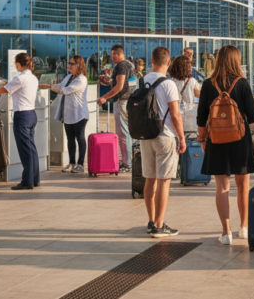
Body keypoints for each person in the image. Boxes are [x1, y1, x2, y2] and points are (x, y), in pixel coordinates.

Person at [197, 45, 254, 245]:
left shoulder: (207, 84)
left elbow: (201, 117)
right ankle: (244, 228)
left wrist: (202, 139)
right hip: (240, 138)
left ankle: (226, 232)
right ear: (236, 61)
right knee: (243, 185)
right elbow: (252, 115)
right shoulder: (242, 83)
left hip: (216, 140)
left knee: (222, 187)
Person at [141, 46, 186, 237]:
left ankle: (151, 221)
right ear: (168, 63)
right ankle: (159, 226)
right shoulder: (169, 84)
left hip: (146, 136)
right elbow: (175, 115)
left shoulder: (143, 81)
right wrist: (182, 138)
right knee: (164, 182)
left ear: (151, 61)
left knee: (149, 180)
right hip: (165, 137)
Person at [0, 53, 40, 190]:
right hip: (31, 114)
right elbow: (14, 87)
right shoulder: (32, 78)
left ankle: (27, 181)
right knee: (32, 149)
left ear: (19, 64)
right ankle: (34, 179)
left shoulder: (19, 78)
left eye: (15, 64)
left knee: (25, 150)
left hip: (22, 116)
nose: (15, 66)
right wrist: (3, 82)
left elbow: (3, 90)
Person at [40, 55, 89, 173]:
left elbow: (64, 91)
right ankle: (72, 163)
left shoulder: (81, 79)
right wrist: (45, 85)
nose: (70, 66)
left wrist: (49, 86)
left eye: (72, 64)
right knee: (70, 139)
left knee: (80, 138)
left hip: (79, 114)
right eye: (69, 63)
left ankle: (80, 164)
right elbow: (60, 86)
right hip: (68, 114)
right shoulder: (68, 77)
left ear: (79, 65)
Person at [97, 44, 135, 173]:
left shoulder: (121, 65)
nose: (112, 57)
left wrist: (104, 97)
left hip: (122, 101)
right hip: (130, 101)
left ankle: (126, 163)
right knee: (128, 132)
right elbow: (124, 84)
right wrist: (108, 82)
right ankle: (130, 160)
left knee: (123, 132)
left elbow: (119, 87)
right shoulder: (130, 64)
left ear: (117, 54)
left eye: (113, 54)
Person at [167, 54, 200, 134]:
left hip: (174, 116)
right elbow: (199, 95)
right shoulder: (192, 81)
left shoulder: (170, 82)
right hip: (188, 116)